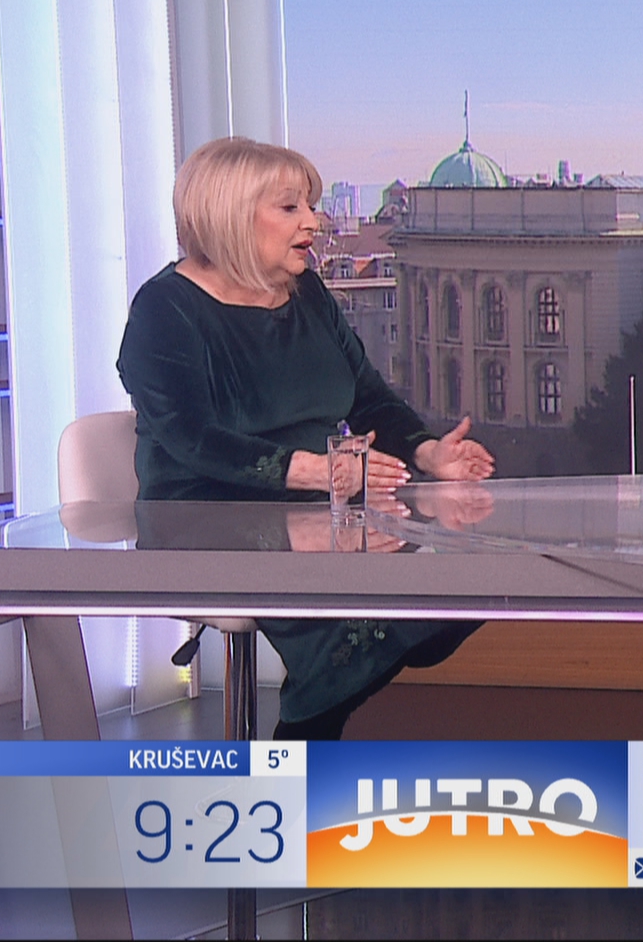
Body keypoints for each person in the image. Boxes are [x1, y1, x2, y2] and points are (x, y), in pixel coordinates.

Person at [117, 136, 496, 740]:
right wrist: (315, 471)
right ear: (231, 215)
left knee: (461, 573)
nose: (313, 222)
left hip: (316, 503)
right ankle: (299, 748)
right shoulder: (164, 309)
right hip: (201, 513)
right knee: (355, 621)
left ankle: (314, 734)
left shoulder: (309, 294)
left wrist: (428, 451)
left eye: (312, 206)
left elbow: (368, 396)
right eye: (291, 208)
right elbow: (192, 438)